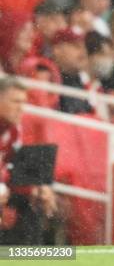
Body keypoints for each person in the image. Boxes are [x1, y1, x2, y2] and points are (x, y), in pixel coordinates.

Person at [0, 77, 57, 245]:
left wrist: (37, 187)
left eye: (23, 102)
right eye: (15, 101)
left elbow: (14, 168)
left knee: (36, 201)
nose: (20, 108)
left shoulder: (13, 129)